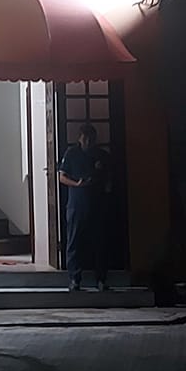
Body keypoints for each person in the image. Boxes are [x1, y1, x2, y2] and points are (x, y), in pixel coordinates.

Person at [57, 124, 109, 291]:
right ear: (79, 138)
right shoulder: (71, 153)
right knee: (74, 242)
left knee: (99, 242)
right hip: (76, 204)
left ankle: (101, 278)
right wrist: (77, 184)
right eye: (85, 138)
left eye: (91, 138)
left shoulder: (101, 155)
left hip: (97, 204)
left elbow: (109, 177)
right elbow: (61, 177)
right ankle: (74, 278)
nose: (88, 141)